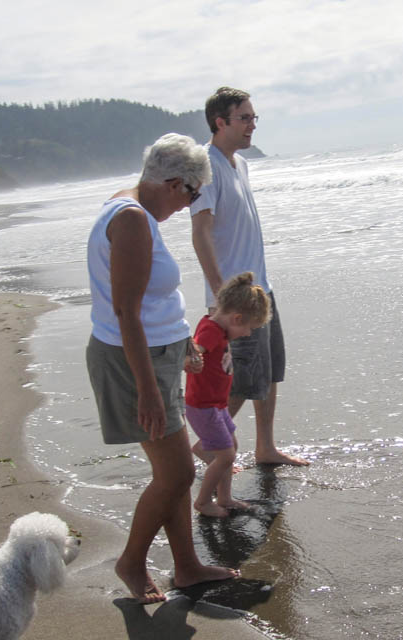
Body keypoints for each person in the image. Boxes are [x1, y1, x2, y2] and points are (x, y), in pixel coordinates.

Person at [85, 133, 238, 604]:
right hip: (136, 365)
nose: (190, 204)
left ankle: (187, 567)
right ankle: (131, 561)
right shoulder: (131, 221)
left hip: (158, 357)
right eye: (191, 195)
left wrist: (184, 342)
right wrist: (148, 391)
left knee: (176, 475)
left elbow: (151, 303)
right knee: (175, 475)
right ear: (174, 183)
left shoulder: (134, 209)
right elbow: (126, 312)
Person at [190, 86, 309, 467]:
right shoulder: (206, 166)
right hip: (233, 299)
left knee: (269, 371)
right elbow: (201, 232)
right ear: (219, 121)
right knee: (240, 379)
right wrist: (221, 295)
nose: (252, 125)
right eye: (244, 118)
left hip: (260, 289)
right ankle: (207, 443)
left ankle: (266, 448)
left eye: (254, 118)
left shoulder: (240, 164)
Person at [185, 272, 271, 517]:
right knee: (225, 456)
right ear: (236, 318)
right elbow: (199, 345)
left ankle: (224, 497)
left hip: (216, 405)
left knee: (231, 446)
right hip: (204, 406)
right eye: (248, 328)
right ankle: (203, 502)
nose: (247, 334)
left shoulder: (216, 327)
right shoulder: (212, 331)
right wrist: (194, 355)